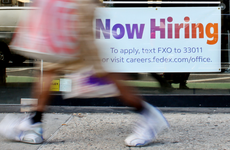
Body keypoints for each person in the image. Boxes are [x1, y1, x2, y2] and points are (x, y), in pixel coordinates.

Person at [0, 0, 169, 147]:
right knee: (50, 63)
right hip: (64, 6)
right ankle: (34, 122)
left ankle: (148, 115)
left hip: (75, 7)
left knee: (97, 67)